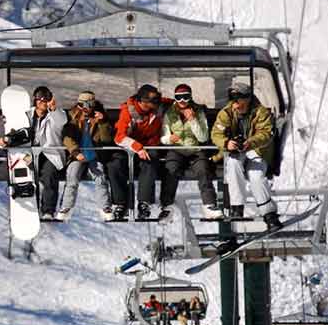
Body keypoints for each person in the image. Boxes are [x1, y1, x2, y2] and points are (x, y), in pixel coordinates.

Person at [211, 82, 281, 229]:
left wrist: (250, 142)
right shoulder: (227, 113)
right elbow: (216, 134)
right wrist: (227, 143)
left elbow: (265, 134)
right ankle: (237, 207)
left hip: (256, 150)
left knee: (256, 175)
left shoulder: (261, 112)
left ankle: (269, 214)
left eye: (239, 100)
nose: (236, 104)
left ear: (247, 99)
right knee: (232, 164)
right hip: (235, 151)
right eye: (233, 100)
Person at [0, 86, 68, 219]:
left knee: (49, 174)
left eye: (46, 99)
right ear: (35, 101)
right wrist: (6, 140)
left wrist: (54, 109)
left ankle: (48, 211)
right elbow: (17, 130)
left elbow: (62, 121)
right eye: (40, 99)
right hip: (29, 152)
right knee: (24, 171)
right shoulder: (27, 115)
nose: (43, 102)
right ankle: (25, 199)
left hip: (49, 154)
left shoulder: (55, 115)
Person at [158, 83, 223, 222]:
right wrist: (169, 138)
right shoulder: (170, 113)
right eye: (178, 97)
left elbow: (203, 137)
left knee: (203, 169)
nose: (182, 101)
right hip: (177, 149)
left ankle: (209, 205)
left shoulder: (198, 112)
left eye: (185, 97)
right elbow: (163, 137)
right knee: (171, 169)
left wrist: (193, 120)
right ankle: (167, 207)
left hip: (195, 149)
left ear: (191, 97)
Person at [111, 84, 171, 221]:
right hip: (129, 147)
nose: (153, 105)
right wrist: (137, 148)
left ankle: (144, 203)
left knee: (150, 159)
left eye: (155, 101)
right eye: (150, 102)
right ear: (141, 101)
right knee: (114, 165)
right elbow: (119, 137)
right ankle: (120, 203)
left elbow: (177, 102)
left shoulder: (158, 106)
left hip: (150, 146)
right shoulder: (128, 112)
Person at [58, 91, 115, 221]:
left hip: (94, 155)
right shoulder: (72, 118)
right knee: (72, 176)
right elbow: (67, 138)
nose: (84, 109)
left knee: (100, 177)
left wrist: (102, 122)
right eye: (81, 105)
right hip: (78, 155)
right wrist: (75, 152)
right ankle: (66, 207)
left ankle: (105, 207)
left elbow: (106, 139)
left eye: (87, 106)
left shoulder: (100, 117)